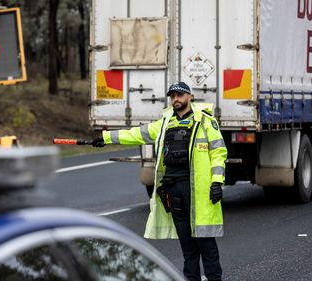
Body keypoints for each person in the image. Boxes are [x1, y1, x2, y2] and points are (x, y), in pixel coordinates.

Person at [91, 82, 227, 281]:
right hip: (174, 190)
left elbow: (218, 153)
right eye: (172, 96)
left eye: (179, 95)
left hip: (199, 192)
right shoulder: (165, 123)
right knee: (187, 246)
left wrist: (216, 182)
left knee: (205, 244)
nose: (175, 99)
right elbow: (136, 134)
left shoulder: (205, 121)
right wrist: (106, 137)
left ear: (189, 96)